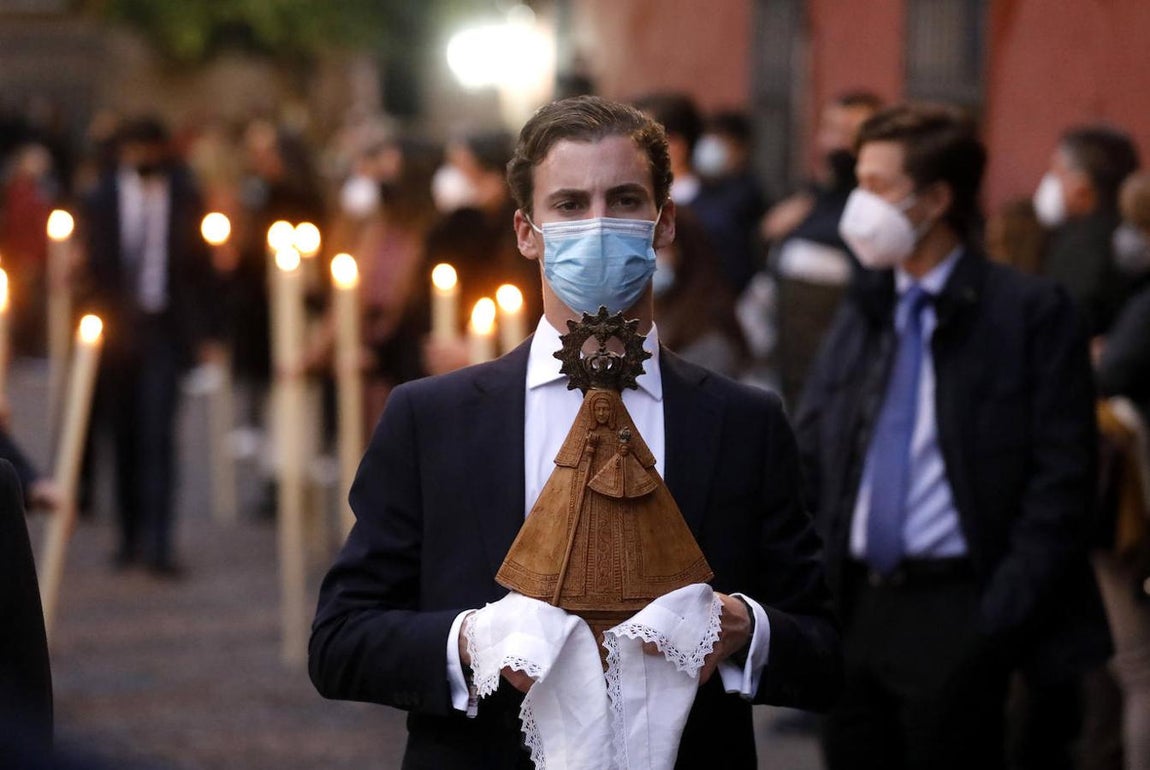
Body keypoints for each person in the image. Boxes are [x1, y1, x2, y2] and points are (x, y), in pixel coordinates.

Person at [310, 95, 841, 768]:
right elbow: (339, 642)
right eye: (568, 205)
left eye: (623, 200)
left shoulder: (743, 422)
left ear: (664, 221)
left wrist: (744, 628)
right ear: (527, 232)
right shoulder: (433, 419)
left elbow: (823, 650)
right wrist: (476, 641)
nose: (597, 226)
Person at [795, 103, 1111, 769]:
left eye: (878, 186)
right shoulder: (867, 308)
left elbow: (1063, 481)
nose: (859, 205)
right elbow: (817, 443)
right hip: (855, 608)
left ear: (936, 199)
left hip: (960, 609)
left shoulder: (1026, 314)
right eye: (859, 182)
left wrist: (996, 621)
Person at [80, 116, 213, 575]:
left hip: (163, 330)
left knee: (158, 434)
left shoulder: (185, 194)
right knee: (123, 435)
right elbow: (93, 262)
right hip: (116, 331)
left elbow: (199, 268)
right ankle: (130, 536)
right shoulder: (100, 197)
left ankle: (159, 542)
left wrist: (206, 333)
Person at [761, 90, 883, 408]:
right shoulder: (806, 198)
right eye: (831, 129)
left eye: (850, 133)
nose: (837, 143)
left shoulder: (875, 209)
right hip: (788, 362)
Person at [1035, 125, 1142, 337]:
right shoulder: (1138, 238)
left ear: (1081, 189)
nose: (1051, 183)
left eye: (1058, 173)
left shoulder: (1078, 250)